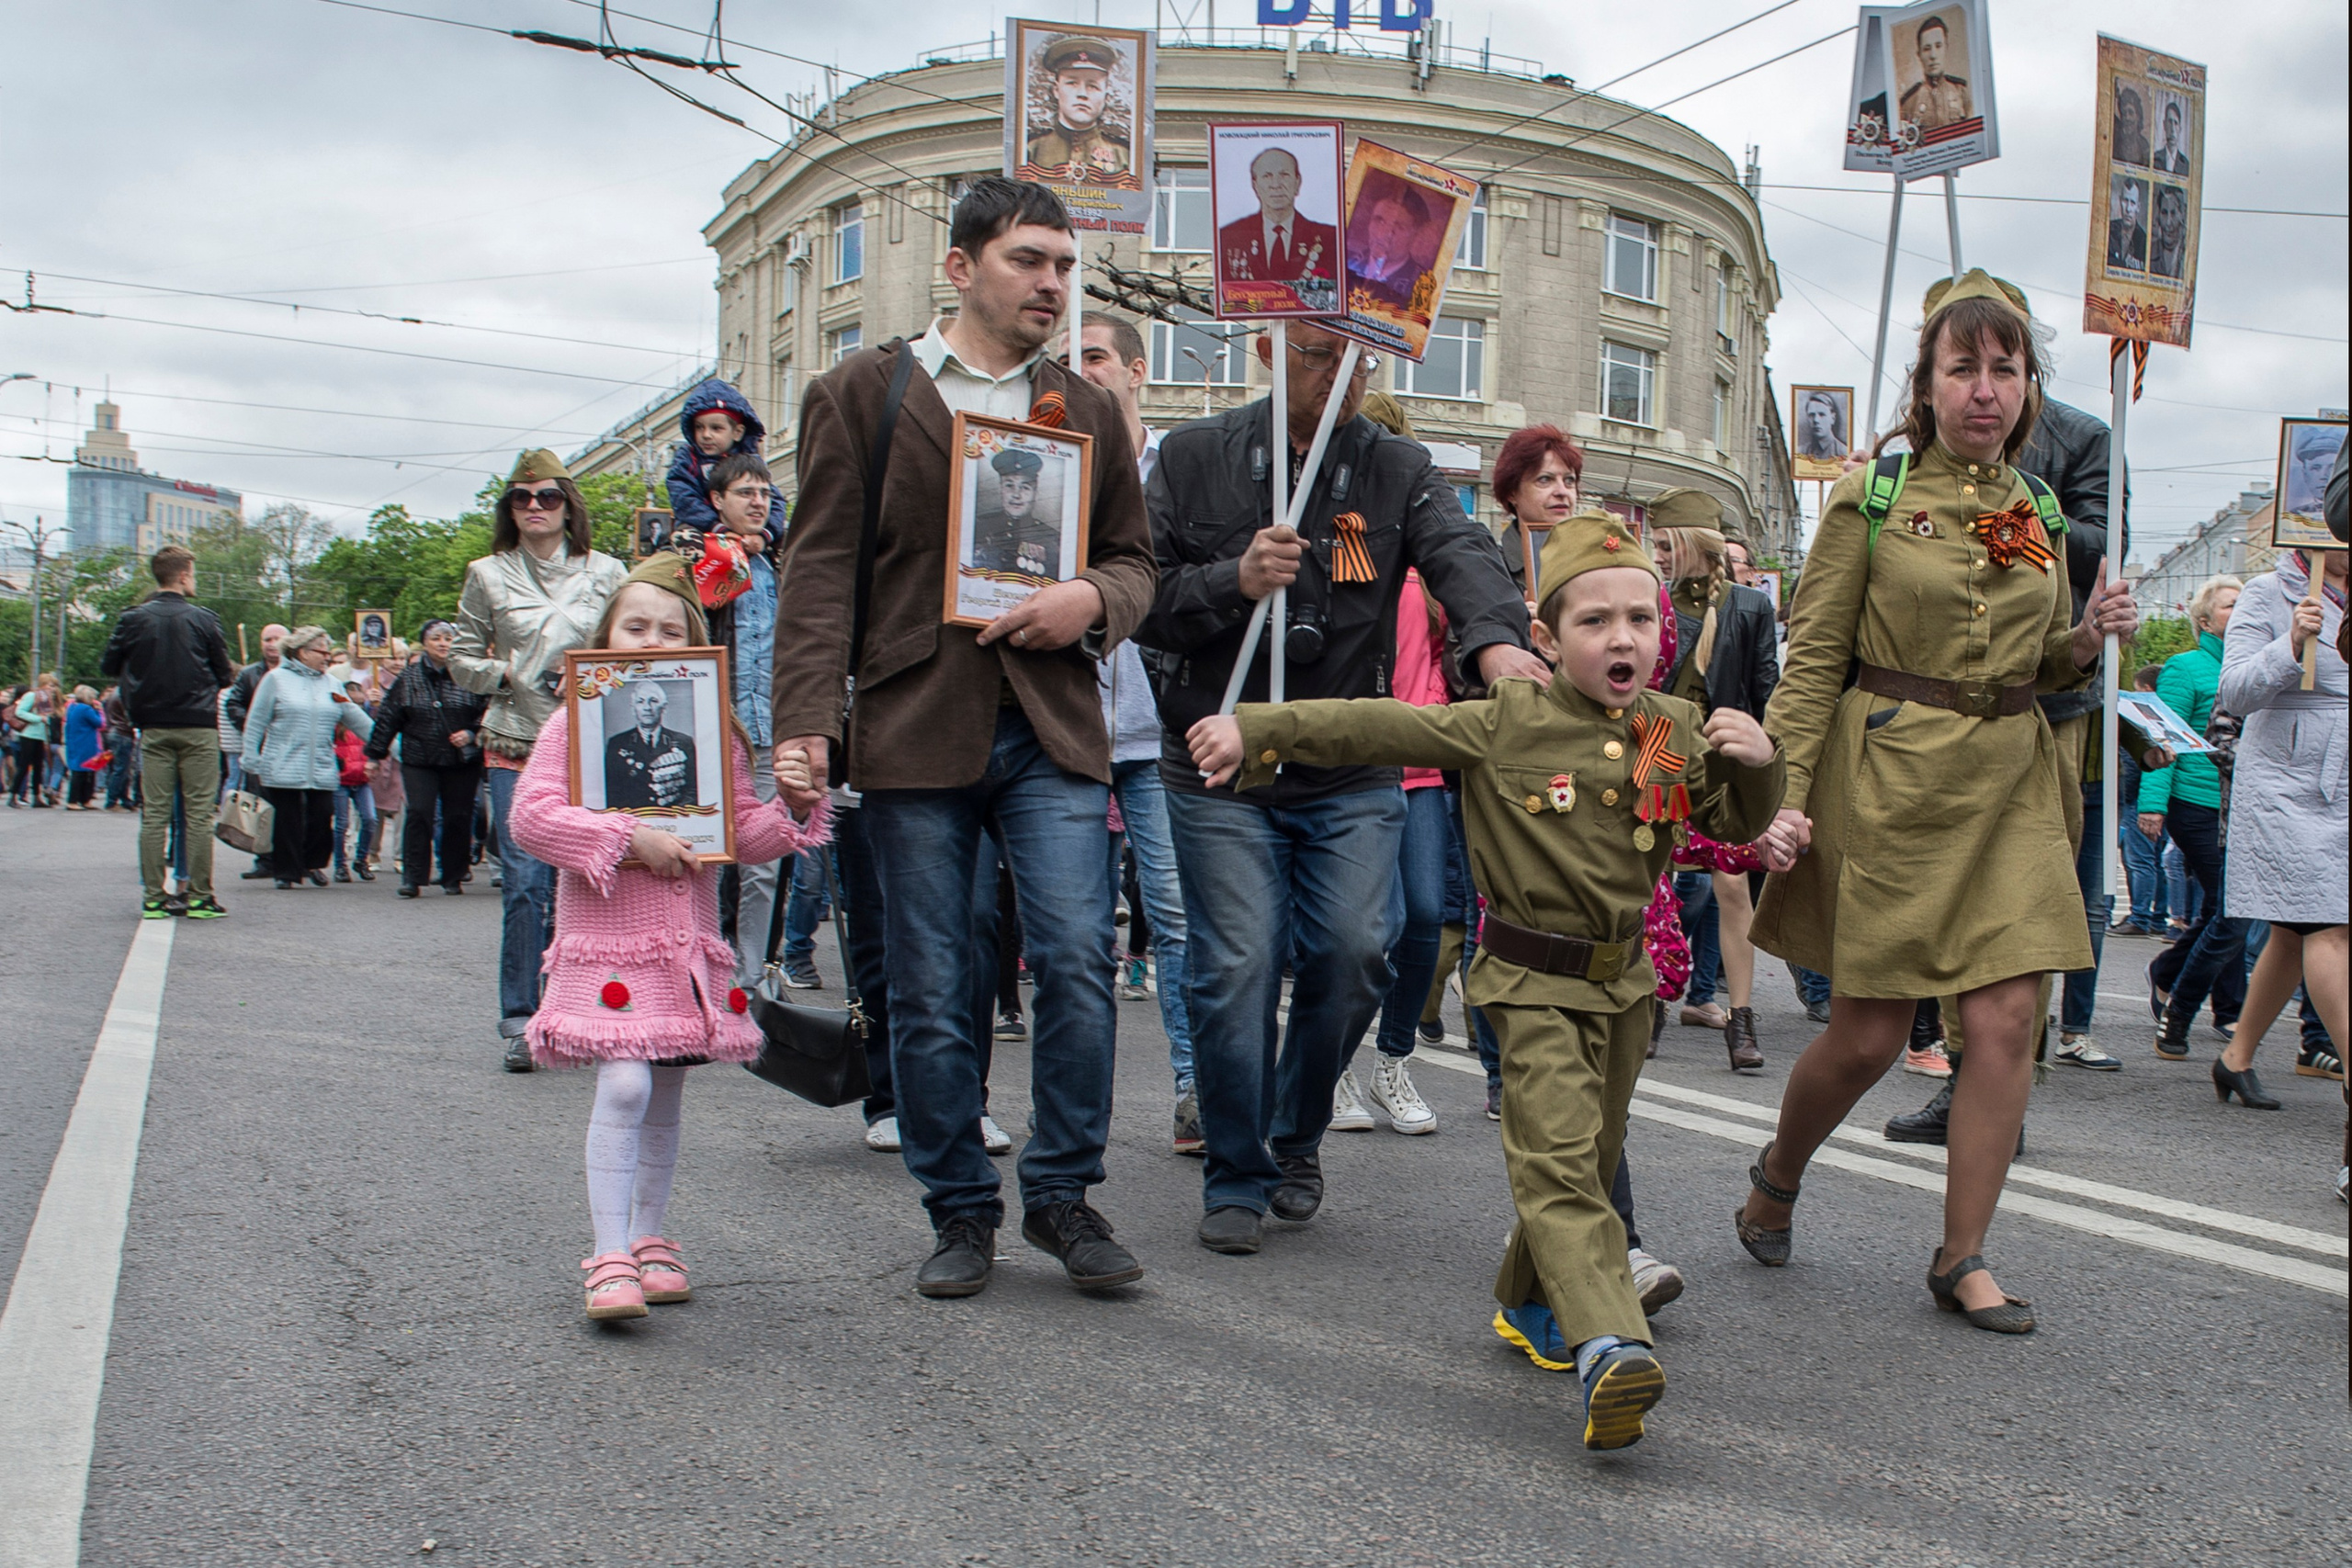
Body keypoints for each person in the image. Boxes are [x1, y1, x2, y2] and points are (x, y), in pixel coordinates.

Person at [1187, 508, 1784, 1450]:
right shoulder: (1512, 719)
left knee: (1581, 1161)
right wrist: (1256, 728)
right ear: (1544, 640)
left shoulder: (1660, 726)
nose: (1621, 637)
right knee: (1557, 1165)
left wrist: (1759, 770)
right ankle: (1607, 1347)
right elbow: (1376, 724)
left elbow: (1710, 814)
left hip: (1624, 989)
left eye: (1638, 616)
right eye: (1594, 621)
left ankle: (1528, 1304)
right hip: (1530, 984)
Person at [773, 177, 1157, 1301]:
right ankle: (959, 1210)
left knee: (1080, 959)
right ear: (961, 268)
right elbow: (819, 570)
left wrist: (1091, 599)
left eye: (1061, 266)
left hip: (1048, 723)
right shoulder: (862, 392)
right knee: (933, 984)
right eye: (1028, 261)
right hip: (911, 723)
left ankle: (1062, 1198)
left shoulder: (1082, 409)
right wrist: (804, 722)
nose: (1051, 284)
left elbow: (1136, 559)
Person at [1740, 269, 2142, 1335]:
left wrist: (2085, 641)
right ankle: (1779, 1171)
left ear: (2026, 389)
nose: (1984, 389)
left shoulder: (2040, 510)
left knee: (2007, 1018)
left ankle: (1961, 1254)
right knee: (1869, 1038)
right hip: (1891, 779)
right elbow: (1815, 659)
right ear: (1924, 385)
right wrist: (1772, 794)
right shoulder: (1870, 502)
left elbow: (2043, 666)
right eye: (1961, 367)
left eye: (2004, 369)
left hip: (2011, 775)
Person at [1142, 314, 1543, 1258]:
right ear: (1268, 349)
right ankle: (1236, 1169)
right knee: (1238, 965)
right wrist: (1232, 579)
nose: (1344, 376)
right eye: (1321, 354)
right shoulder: (1193, 456)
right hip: (1218, 757)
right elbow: (1140, 601)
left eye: (1360, 357)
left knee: (1361, 950)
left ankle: (1295, 1133)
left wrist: (1498, 646)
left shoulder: (1395, 468)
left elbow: (1466, 558)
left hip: (1347, 758)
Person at [506, 555, 829, 1322]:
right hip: (608, 939)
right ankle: (608, 1250)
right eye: (636, 625)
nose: (652, 640)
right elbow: (531, 815)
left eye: (671, 629)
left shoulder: (710, 727)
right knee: (625, 1083)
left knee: (666, 1092)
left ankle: (649, 1238)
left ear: (695, 641)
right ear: (607, 635)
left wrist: (789, 803)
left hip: (683, 944)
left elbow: (739, 834)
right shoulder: (571, 725)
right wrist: (628, 837)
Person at [451, 448, 630, 1072]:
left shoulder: (607, 570)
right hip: (514, 743)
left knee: (587, 878)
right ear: (510, 508)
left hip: (588, 742)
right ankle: (521, 1016)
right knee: (525, 881)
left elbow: (627, 644)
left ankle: (582, 1006)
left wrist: (590, 670)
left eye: (547, 496)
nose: (534, 507)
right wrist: (507, 671)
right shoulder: (487, 572)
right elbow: (460, 657)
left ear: (567, 504)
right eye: (522, 498)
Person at [1075, 310, 1198, 1152]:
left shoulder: (1177, 469)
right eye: (1069, 358)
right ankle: (1072, 1116)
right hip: (1067, 728)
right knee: (1076, 930)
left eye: (1095, 356)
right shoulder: (1044, 462)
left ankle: (1196, 1086)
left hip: (1158, 732)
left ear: (1135, 370)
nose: (1081, 371)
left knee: (1179, 916)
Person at [2204, 547, 2346, 1111]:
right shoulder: (2269, 591)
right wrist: (2289, 644)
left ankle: (2234, 1058)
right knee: (2329, 927)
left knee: (2291, 935)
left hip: (2344, 782)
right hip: (2289, 784)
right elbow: (2235, 691)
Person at [1650, 491, 1780, 1071]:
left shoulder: (1750, 606)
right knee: (1647, 883)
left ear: (1688, 544)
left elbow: (1767, 690)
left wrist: (1764, 758)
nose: (1657, 557)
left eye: (1662, 546)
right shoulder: (1649, 601)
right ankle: (1650, 1005)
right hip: (1656, 760)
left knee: (1731, 890)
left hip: (1720, 765)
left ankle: (1742, 1020)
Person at [673, 450, 786, 989]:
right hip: (711, 733)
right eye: (745, 493)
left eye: (764, 493)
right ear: (717, 500)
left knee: (764, 863)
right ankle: (699, 968)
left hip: (769, 733)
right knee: (703, 855)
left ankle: (751, 972)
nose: (758, 502)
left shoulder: (779, 562)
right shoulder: (694, 554)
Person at [2145, 576, 2245, 1062]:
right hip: (2196, 801)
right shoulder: (2185, 668)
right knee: (2231, 908)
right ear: (2204, 620)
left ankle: (2171, 976)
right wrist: (2152, 802)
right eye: (2230, 605)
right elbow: (2160, 737)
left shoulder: (2255, 664)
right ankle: (2188, 1006)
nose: (2241, 610)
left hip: (2243, 805)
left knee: (2217, 911)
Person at [100, 552, 236, 906]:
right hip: (199, 726)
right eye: (193, 573)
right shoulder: (204, 620)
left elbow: (109, 664)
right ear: (183, 576)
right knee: (198, 816)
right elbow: (224, 673)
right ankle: (200, 897)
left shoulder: (132, 618)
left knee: (155, 815)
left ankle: (153, 898)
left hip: (153, 727)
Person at [242, 626, 374, 889]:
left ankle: (310, 863)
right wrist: (250, 757)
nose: (326, 657)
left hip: (321, 764)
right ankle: (286, 873)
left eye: (328, 651)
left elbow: (358, 721)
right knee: (288, 819)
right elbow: (256, 721)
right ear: (301, 652)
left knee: (322, 814)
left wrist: (390, 745)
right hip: (283, 761)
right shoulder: (276, 679)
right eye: (320, 651)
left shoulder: (333, 685)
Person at [365, 617, 486, 898]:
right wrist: (374, 755)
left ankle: (453, 875)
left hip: (460, 760)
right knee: (419, 813)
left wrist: (470, 732)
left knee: (458, 816)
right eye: (436, 639)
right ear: (425, 643)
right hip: (420, 757)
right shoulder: (408, 678)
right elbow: (388, 719)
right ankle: (413, 876)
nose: (443, 644)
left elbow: (487, 711)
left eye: (448, 638)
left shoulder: (469, 675)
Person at [662, 376, 788, 558]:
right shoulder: (688, 459)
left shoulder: (750, 464)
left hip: (751, 533)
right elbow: (683, 498)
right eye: (699, 427)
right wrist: (717, 527)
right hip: (700, 525)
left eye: (716, 428)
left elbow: (776, 502)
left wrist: (764, 535)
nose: (706, 435)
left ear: (737, 432)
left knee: (792, 541)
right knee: (686, 542)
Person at [1020, 35, 1134, 187]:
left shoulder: (1123, 155)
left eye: (1092, 86)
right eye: (1072, 83)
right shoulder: (1031, 149)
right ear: (1056, 89)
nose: (1082, 94)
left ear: (1105, 95)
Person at [1216, 147, 1340, 286]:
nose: (1276, 185)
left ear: (1297, 182)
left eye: (1284, 175)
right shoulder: (1230, 237)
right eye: (1267, 176)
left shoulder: (1330, 239)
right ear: (1255, 185)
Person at [604, 681, 697, 810]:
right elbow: (611, 792)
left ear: (664, 707)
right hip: (633, 821)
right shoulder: (617, 743)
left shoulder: (683, 742)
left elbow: (693, 790)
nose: (647, 707)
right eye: (640, 701)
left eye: (653, 701)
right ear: (633, 708)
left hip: (673, 819)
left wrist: (677, 816)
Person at [326, 671, 378, 881]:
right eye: (352, 703)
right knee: (342, 823)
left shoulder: (366, 721)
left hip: (362, 779)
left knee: (370, 819)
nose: (355, 708)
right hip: (341, 778)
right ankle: (340, 865)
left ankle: (361, 859)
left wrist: (372, 763)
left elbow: (375, 742)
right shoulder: (334, 723)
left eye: (359, 703)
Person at [1351, 186, 1435, 312]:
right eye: (1379, 221)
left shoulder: (1420, 287)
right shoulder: (1346, 260)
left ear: (1416, 235)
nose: (1382, 234)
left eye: (1399, 227)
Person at [972, 447, 1054, 573]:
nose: (1016, 495)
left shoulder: (1051, 538)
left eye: (1025, 488)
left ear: (1035, 492)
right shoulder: (977, 526)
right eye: (1009, 485)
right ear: (1000, 489)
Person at [1898, 15, 1972, 132]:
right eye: (1927, 49)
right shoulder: (1909, 102)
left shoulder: (1961, 92)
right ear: (1919, 55)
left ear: (1946, 48)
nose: (1933, 55)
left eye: (1938, 46)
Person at [9, 674, 61, 807]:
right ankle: (13, 796)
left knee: (39, 766)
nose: (53, 689)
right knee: (24, 765)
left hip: (40, 736)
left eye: (54, 686)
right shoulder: (32, 695)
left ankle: (37, 797)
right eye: (51, 685)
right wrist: (38, 718)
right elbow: (19, 712)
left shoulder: (47, 699)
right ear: (43, 684)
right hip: (28, 735)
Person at [62, 686, 105, 809]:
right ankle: (77, 800)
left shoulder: (72, 707)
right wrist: (98, 711)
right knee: (84, 773)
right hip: (86, 743)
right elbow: (99, 723)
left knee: (79, 771)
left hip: (74, 742)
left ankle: (80, 800)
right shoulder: (86, 709)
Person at [100, 684, 137, 810]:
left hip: (115, 732)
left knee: (120, 768)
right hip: (122, 733)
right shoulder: (123, 695)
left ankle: (123, 799)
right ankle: (112, 801)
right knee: (120, 769)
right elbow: (130, 715)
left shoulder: (116, 693)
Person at [2106, 180, 2149, 271]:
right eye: (2125, 201)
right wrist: (2125, 264)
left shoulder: (2144, 241)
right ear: (2120, 201)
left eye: (2133, 203)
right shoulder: (2108, 229)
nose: (2128, 209)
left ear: (2138, 207)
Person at [2149, 185, 2190, 281]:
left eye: (2173, 213)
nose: (2168, 223)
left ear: (2182, 216)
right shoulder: (2148, 251)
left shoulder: (2188, 256)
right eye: (2164, 213)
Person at [1796, 390, 1847, 462]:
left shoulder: (1844, 452)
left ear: (1833, 418)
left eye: (1822, 415)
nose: (1816, 420)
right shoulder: (1800, 451)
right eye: (1811, 415)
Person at [2111, 85, 2152, 166]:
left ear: (2138, 116)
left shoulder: (2144, 146)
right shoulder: (2116, 143)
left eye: (2131, 112)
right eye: (2124, 113)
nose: (2127, 118)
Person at [2154, 97, 2191, 175]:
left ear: (2180, 129)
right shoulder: (2154, 158)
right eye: (2170, 122)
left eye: (2176, 123)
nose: (2172, 129)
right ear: (2164, 125)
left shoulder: (2186, 165)